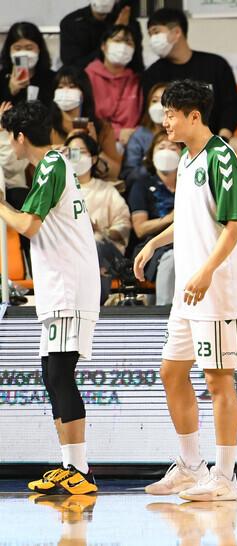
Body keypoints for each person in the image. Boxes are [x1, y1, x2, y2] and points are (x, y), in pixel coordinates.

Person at [135, 80, 237, 501]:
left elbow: (235, 225)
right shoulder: (187, 159)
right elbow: (189, 220)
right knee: (172, 371)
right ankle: (190, 466)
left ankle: (225, 477)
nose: (165, 122)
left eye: (171, 115)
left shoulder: (223, 158)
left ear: (194, 116)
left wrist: (206, 272)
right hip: (189, 291)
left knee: (219, 380)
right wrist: (154, 242)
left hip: (217, 290)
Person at [0, 101, 100, 494]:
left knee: (60, 374)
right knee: (51, 375)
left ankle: (81, 470)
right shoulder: (53, 165)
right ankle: (70, 465)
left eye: (10, 137)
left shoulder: (51, 166)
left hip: (69, 287)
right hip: (59, 287)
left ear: (21, 137)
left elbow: (27, 225)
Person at [140, 8, 237, 141]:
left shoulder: (216, 65)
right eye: (150, 35)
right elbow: (151, 115)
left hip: (214, 139)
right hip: (171, 142)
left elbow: (231, 106)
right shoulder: (152, 74)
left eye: (156, 32)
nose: (152, 40)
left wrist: (222, 138)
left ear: (177, 32)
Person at [66, 132, 131, 299]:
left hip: (103, 250)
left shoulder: (107, 190)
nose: (77, 157)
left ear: (94, 158)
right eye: (72, 153)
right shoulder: (59, 191)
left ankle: (93, 297)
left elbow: (123, 225)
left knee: (93, 242)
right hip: (68, 251)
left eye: (82, 152)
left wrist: (100, 231)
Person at [127, 131, 179, 306]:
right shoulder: (141, 185)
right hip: (155, 246)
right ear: (151, 154)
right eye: (161, 147)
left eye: (173, 148)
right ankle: (164, 309)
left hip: (189, 240)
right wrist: (170, 218)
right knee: (172, 258)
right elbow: (140, 228)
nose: (167, 152)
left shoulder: (190, 183)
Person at [51, 66, 121, 181]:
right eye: (60, 87)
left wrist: (94, 148)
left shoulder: (102, 127)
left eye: (72, 86)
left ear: (83, 93)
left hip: (93, 186)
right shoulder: (47, 127)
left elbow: (114, 173)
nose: (65, 91)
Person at [84, 24, 142, 145]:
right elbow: (82, 118)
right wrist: (117, 133)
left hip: (133, 142)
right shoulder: (86, 77)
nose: (123, 47)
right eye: (117, 40)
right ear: (103, 46)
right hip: (95, 141)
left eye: (129, 43)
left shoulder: (138, 80)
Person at [59, 0, 143, 72]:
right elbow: (72, 65)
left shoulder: (128, 22)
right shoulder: (72, 22)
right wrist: (114, 32)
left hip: (122, 79)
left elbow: (137, 64)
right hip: (83, 78)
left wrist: (122, 31)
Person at [122, 82, 166, 193]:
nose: (159, 106)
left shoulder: (183, 135)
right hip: (147, 190)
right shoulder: (139, 136)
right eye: (154, 101)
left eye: (164, 101)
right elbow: (129, 175)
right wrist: (151, 166)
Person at [0, 22, 56, 106]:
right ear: (9, 50)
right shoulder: (1, 78)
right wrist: (10, 91)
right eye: (17, 48)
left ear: (39, 49)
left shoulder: (52, 79)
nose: (23, 53)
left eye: (29, 48)